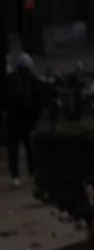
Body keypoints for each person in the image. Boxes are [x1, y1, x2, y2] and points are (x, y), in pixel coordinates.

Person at [4, 54, 46, 188]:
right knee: (25, 149)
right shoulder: (30, 80)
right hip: (23, 120)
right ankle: (27, 174)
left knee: (19, 150)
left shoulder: (11, 80)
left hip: (18, 120)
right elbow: (38, 101)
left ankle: (20, 175)